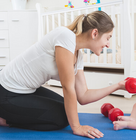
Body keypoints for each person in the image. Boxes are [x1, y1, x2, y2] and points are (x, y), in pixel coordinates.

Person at [0, 10, 127, 139]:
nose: (108, 44)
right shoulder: (65, 36)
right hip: (6, 92)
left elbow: (83, 96)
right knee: (61, 118)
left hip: (25, 90)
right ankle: (4, 119)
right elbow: (68, 87)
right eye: (108, 38)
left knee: (65, 109)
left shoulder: (78, 56)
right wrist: (77, 127)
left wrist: (117, 86)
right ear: (95, 33)